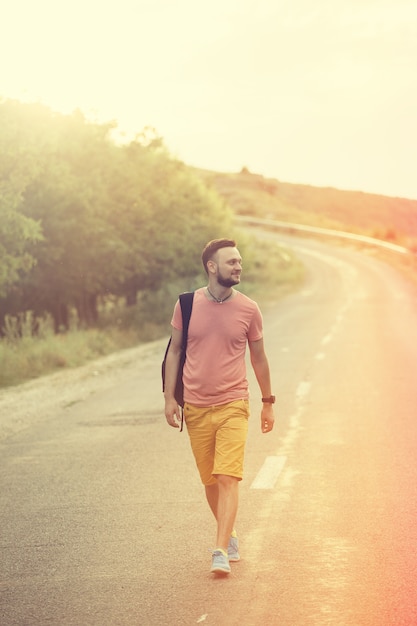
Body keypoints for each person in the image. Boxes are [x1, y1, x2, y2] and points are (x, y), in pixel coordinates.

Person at [164, 238, 275, 575]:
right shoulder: (186, 305)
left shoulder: (249, 309)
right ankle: (231, 536)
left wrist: (268, 402)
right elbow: (174, 351)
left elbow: (259, 358)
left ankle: (220, 549)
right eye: (231, 262)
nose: (238, 266)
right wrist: (170, 398)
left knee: (228, 476)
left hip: (233, 403)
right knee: (210, 480)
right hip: (196, 406)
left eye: (239, 261)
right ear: (212, 267)